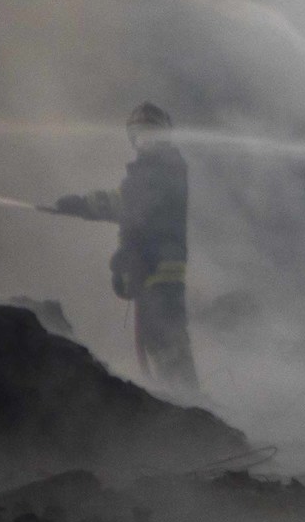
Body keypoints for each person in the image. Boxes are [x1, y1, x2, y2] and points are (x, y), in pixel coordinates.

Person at [50, 103, 198, 392]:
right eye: (139, 135)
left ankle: (191, 407)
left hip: (159, 271)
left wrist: (82, 205)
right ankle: (183, 404)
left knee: (167, 345)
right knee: (161, 345)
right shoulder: (157, 168)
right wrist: (124, 257)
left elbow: (128, 204)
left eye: (150, 134)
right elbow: (135, 213)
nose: (145, 141)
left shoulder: (163, 166)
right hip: (151, 268)